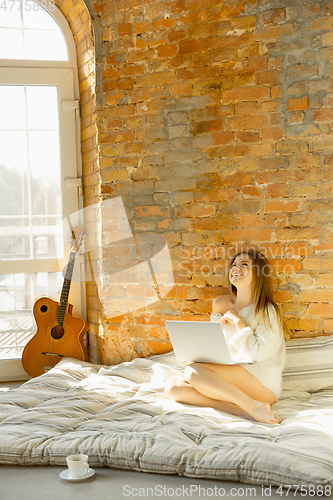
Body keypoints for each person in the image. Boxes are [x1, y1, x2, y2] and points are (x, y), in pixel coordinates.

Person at [165, 248, 290, 425]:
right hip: (231, 372)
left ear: (258, 274)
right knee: (173, 387)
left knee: (193, 372)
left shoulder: (268, 310)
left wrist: (239, 323)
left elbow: (257, 354)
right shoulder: (220, 303)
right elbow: (216, 345)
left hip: (262, 382)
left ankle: (253, 406)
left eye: (244, 264)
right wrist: (198, 356)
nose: (236, 268)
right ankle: (246, 410)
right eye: (234, 264)